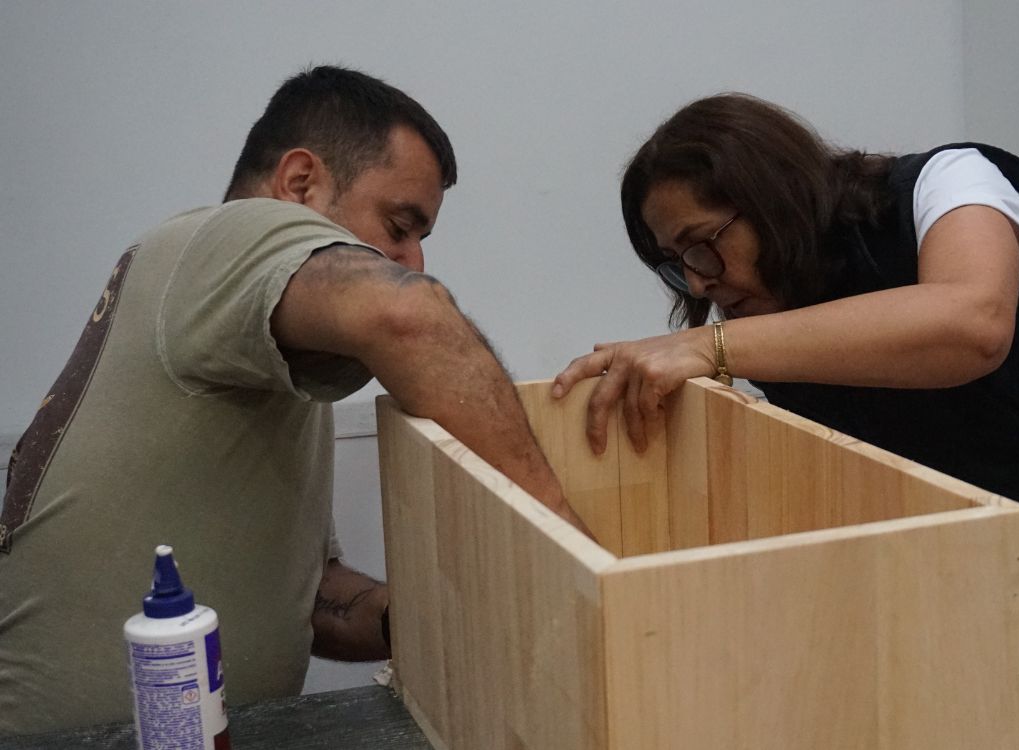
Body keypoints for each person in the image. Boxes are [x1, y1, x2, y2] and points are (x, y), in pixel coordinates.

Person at [0, 65, 588, 736]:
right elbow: (411, 317)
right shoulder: (226, 238)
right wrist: (572, 553)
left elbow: (307, 600)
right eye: (399, 225)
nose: (412, 260)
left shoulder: (261, 348)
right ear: (299, 183)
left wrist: (430, 620)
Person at [553, 93, 1019, 590]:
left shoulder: (951, 184)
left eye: (704, 244)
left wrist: (713, 349)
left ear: (772, 198)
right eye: (676, 263)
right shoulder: (786, 321)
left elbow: (970, 325)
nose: (699, 280)